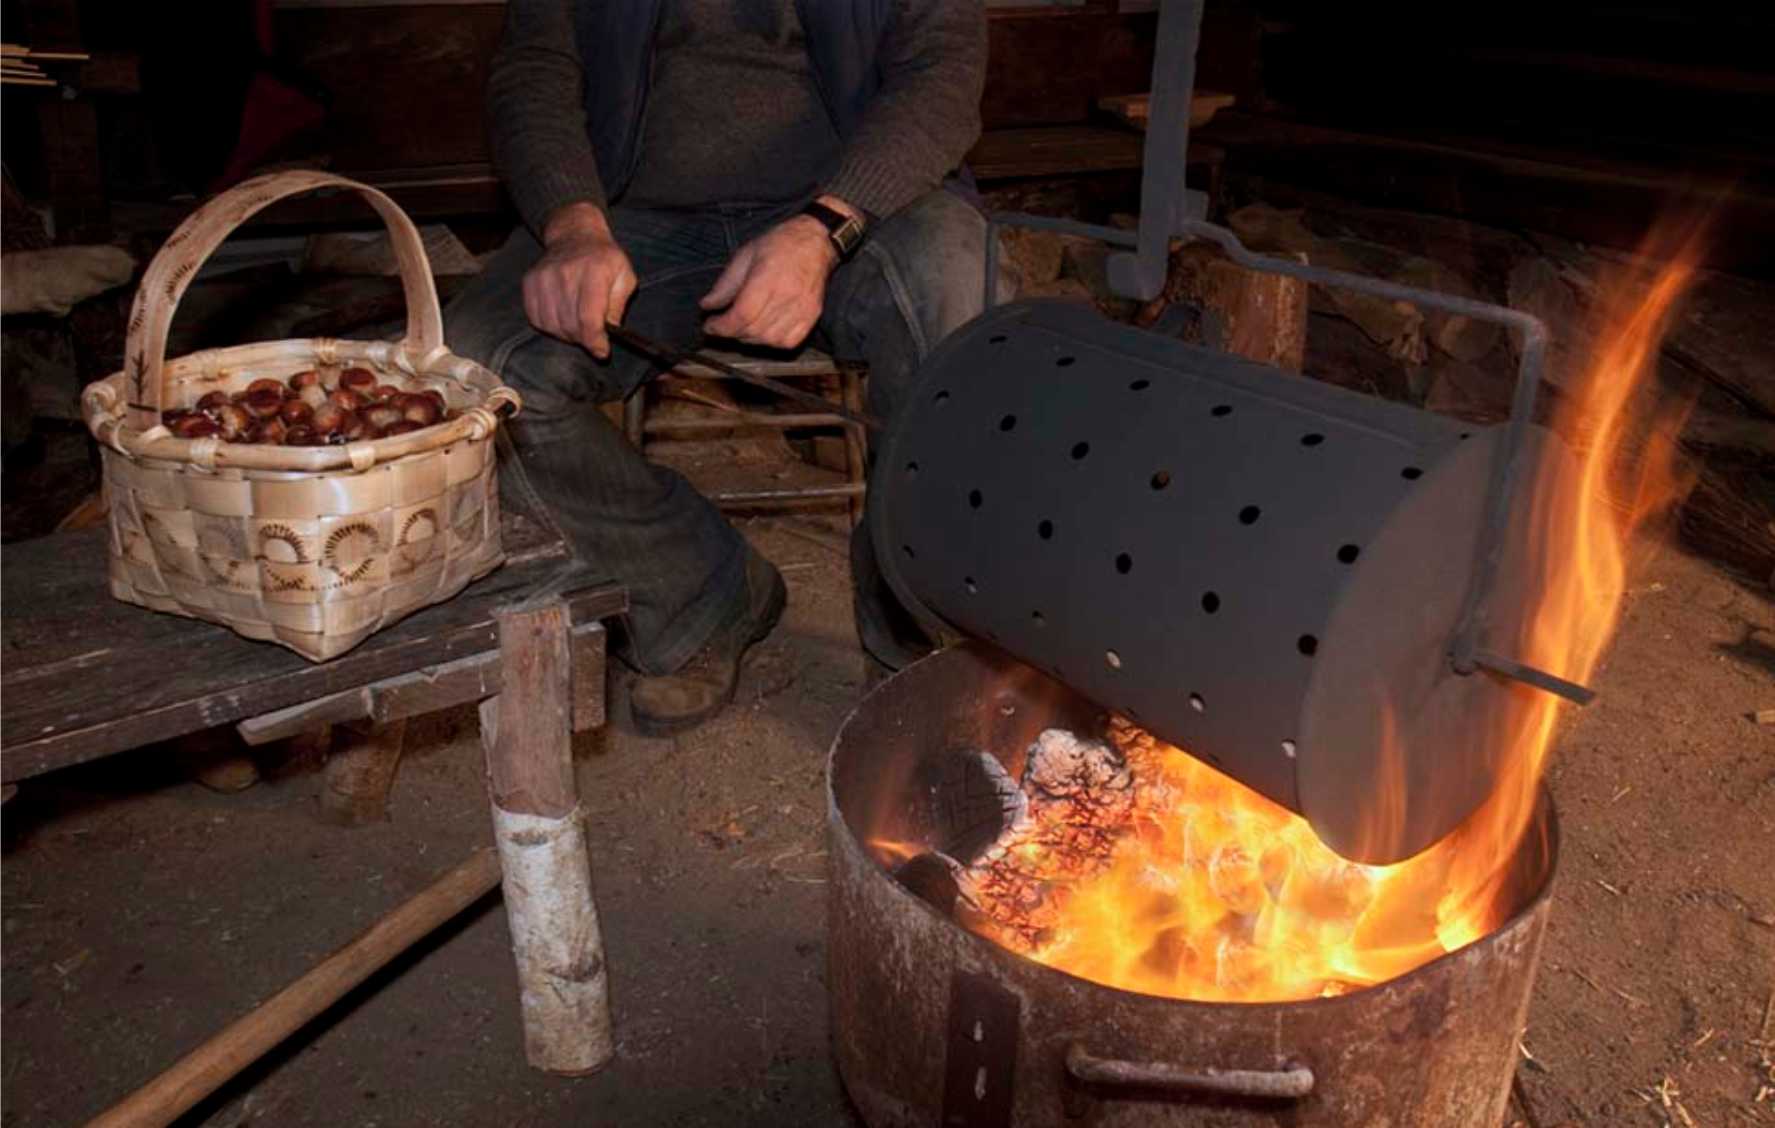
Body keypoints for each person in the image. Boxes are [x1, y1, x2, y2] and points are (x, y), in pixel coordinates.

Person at [447, 1, 995, 736]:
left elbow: (943, 73)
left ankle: (913, 643)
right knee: (471, 376)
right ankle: (703, 597)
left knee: (955, 301)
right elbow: (534, 70)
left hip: (860, 205)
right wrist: (571, 223)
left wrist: (825, 227)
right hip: (634, 213)